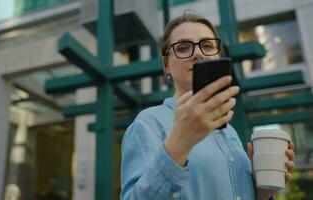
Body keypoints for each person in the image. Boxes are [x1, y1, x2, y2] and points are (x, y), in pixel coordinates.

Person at [120, 12, 295, 200]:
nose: (198, 53)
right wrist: (180, 142)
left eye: (207, 45)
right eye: (183, 47)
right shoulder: (148, 124)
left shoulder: (230, 131)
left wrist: (261, 191)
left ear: (218, 55)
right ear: (166, 65)